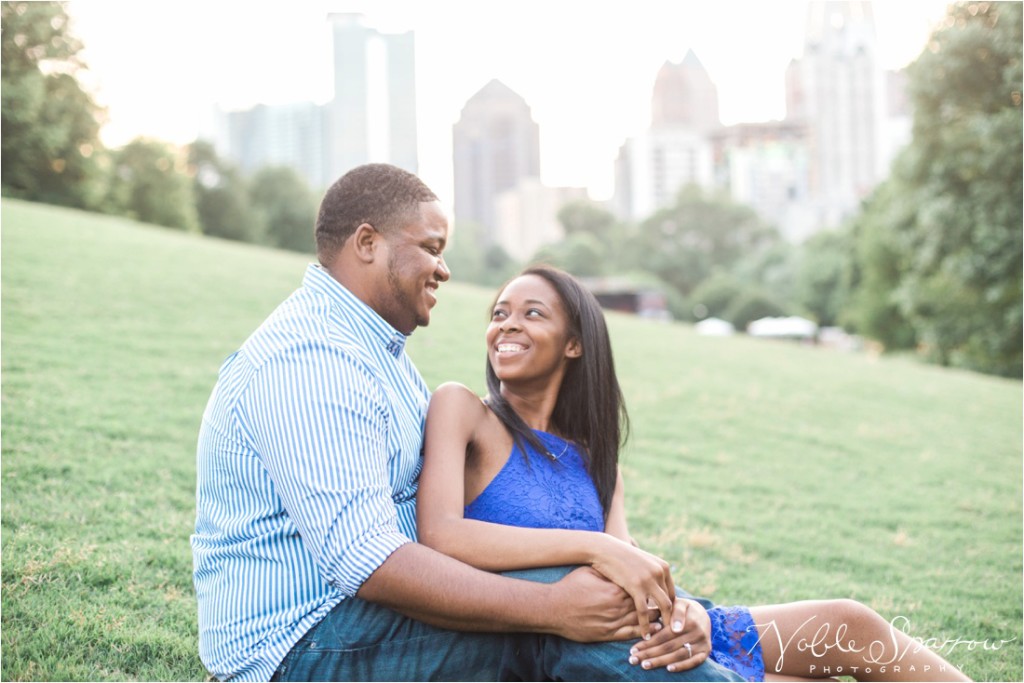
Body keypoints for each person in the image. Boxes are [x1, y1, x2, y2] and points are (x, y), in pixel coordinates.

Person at [191, 164, 744, 682]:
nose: (444, 268)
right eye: (431, 248)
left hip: (363, 619)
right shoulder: (310, 359)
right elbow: (369, 562)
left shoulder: (377, 354)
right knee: (563, 614)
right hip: (300, 645)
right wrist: (551, 606)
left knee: (587, 601)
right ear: (367, 244)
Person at [417, 265, 972, 682]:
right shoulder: (464, 411)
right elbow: (441, 533)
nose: (507, 325)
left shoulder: (593, 457)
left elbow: (631, 569)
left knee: (851, 622)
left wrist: (684, 611)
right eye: (499, 313)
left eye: (531, 313)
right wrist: (596, 548)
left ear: (574, 343)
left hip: (664, 630)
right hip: (590, 649)